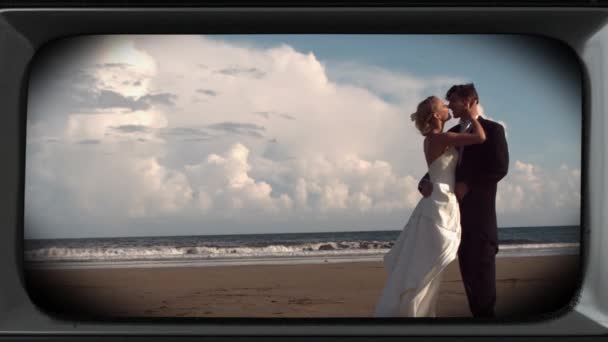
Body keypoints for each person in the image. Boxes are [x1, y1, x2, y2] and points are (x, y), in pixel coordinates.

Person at [374, 94, 486, 317]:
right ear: (437, 115)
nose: (447, 107)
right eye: (444, 106)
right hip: (439, 204)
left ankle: (421, 312)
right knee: (427, 266)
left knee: (428, 266)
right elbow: (480, 137)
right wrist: (473, 116)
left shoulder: (437, 138)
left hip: (439, 199)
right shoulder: (439, 138)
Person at [419, 83, 509, 318]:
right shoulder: (454, 132)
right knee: (470, 284)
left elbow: (499, 168)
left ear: (469, 101)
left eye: (454, 100)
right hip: (455, 221)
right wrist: (426, 181)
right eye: (446, 102)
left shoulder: (494, 130)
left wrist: (468, 184)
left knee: (484, 290)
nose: (450, 105)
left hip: (480, 221)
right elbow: (441, 166)